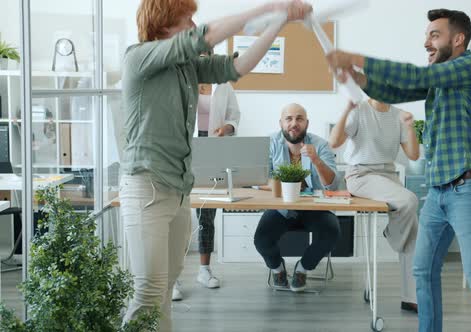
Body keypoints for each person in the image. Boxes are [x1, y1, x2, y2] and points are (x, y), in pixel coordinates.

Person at [120, 1, 312, 330]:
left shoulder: (186, 67)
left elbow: (237, 67)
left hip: (178, 191)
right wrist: (268, 7)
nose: (193, 24)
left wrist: (278, 23)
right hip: (146, 188)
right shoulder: (138, 58)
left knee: (164, 290)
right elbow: (202, 37)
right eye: (187, 18)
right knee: (148, 292)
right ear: (165, 23)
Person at [325, 8, 471, 332]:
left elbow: (417, 78)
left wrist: (354, 57)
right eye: (426, 34)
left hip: (468, 188)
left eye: (434, 35)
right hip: (439, 192)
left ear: (458, 39)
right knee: (423, 271)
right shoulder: (440, 78)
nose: (426, 42)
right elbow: (395, 92)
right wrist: (357, 79)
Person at [328, 98, 420, 313]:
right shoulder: (358, 110)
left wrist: (410, 127)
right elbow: (334, 142)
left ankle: (411, 298)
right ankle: (393, 234)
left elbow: (414, 155)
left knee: (414, 232)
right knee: (410, 200)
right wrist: (345, 111)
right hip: (361, 174)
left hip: (388, 175)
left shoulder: (399, 114)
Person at [171, 51, 241, 301]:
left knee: (207, 212)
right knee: (178, 214)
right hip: (183, 150)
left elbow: (234, 116)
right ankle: (173, 278)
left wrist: (227, 128)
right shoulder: (181, 80)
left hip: (213, 149)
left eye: (205, 55)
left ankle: (204, 269)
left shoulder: (223, 85)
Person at [254, 103, 341, 293]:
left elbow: (332, 184)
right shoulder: (269, 142)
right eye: (289, 119)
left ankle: (303, 268)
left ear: (307, 123)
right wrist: (283, 186)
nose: (294, 123)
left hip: (314, 208)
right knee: (261, 239)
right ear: (281, 123)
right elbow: (257, 177)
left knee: (332, 232)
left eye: (299, 119)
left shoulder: (320, 144)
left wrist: (316, 160)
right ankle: (278, 269)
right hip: (282, 208)